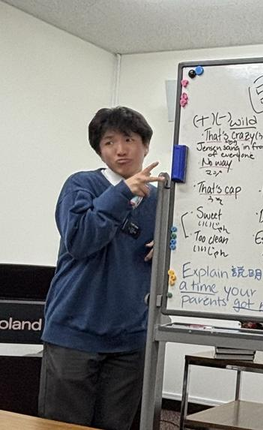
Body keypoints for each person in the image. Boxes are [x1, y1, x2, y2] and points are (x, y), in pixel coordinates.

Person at [38, 106, 163, 430]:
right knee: (63, 427)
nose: (120, 150)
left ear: (146, 145)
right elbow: (80, 240)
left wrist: (170, 248)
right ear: (99, 150)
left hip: (130, 339)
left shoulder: (161, 200)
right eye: (109, 142)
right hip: (74, 333)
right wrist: (122, 193)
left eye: (129, 139)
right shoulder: (80, 185)